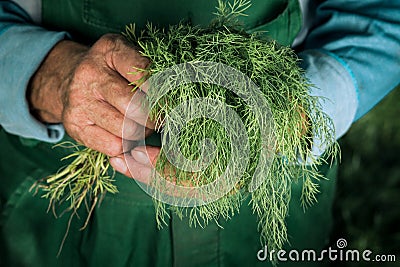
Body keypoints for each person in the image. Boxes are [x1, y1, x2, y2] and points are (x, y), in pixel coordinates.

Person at [0, 0, 399, 266]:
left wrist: (300, 109)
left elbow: (382, 12)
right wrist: (51, 76)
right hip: (59, 196)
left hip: (265, 191)